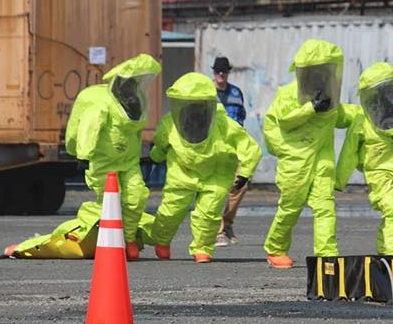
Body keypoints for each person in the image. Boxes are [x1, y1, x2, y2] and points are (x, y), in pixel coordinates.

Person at [4, 54, 161, 260]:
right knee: (109, 203)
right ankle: (40, 244)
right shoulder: (103, 104)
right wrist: (84, 156)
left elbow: (133, 133)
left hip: (128, 161)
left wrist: (146, 154)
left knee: (136, 197)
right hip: (103, 162)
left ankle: (128, 239)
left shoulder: (133, 103)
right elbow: (89, 128)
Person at [262, 39, 358, 269]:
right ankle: (276, 248)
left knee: (325, 206)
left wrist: (373, 114)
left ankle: (327, 254)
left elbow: (342, 116)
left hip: (322, 160)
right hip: (295, 161)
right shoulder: (288, 94)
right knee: (290, 207)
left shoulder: (329, 97)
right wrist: (310, 108)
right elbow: (284, 120)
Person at [148, 72, 262, 263]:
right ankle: (162, 241)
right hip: (182, 172)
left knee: (209, 214)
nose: (194, 110)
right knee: (170, 211)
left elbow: (249, 147)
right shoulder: (170, 123)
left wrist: (244, 174)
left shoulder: (223, 124)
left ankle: (202, 248)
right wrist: (155, 157)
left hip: (216, 173)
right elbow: (160, 144)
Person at [335, 62, 393, 256]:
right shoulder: (363, 120)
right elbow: (349, 151)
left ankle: (384, 249)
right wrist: (339, 181)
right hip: (379, 173)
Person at [210, 56, 250, 248]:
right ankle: (219, 232)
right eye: (218, 71)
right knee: (218, 188)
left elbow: (242, 117)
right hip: (215, 147)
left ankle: (227, 224)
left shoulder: (236, 92)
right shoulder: (207, 92)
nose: (221, 74)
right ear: (213, 72)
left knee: (240, 186)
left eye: (224, 71)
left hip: (235, 147)